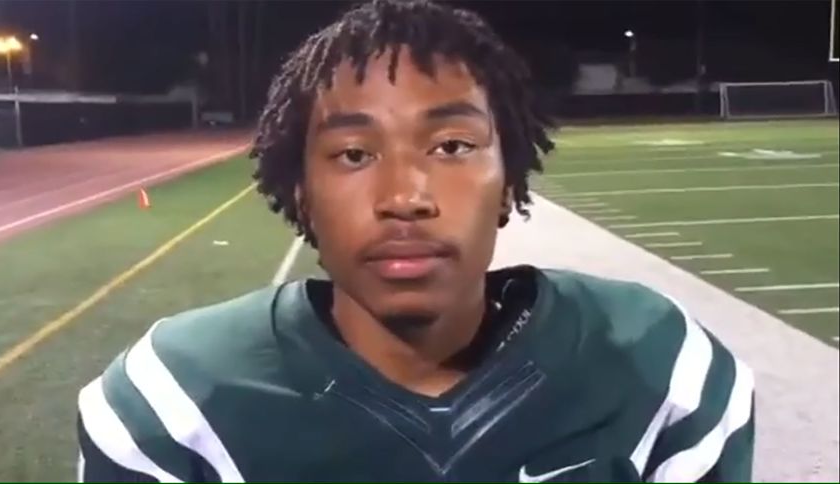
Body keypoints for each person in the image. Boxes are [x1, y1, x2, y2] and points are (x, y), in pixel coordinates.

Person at [76, 0, 755, 481]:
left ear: (511, 180)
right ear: (301, 192)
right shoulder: (173, 401)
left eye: (453, 145)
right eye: (352, 154)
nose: (405, 197)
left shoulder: (660, 368)